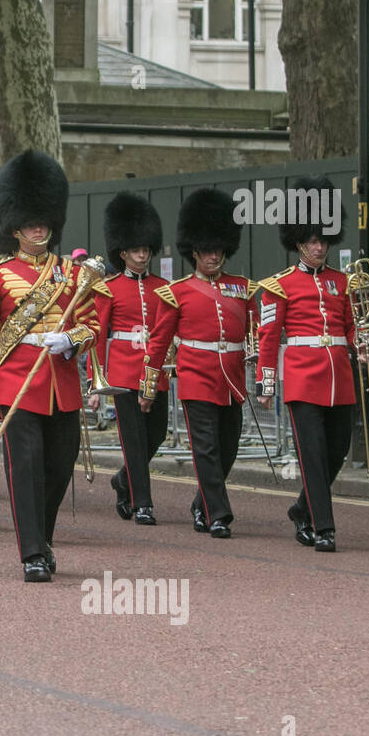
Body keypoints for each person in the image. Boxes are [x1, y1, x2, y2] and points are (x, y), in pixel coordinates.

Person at [0, 150, 107, 582]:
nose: (38, 228)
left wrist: (71, 340)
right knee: (25, 468)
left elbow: (92, 324)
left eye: (43, 221)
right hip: (16, 386)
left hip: (60, 384)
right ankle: (31, 553)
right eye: (30, 222)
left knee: (58, 468)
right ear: (14, 226)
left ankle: (42, 539)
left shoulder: (72, 274)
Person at [140, 188, 256, 539]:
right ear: (194, 251)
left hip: (232, 380)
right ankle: (219, 514)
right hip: (195, 377)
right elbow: (159, 342)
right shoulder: (177, 292)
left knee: (229, 448)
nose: (214, 256)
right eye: (208, 250)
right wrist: (148, 387)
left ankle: (201, 503)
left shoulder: (242, 288)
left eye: (219, 249)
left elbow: (258, 331)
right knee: (205, 448)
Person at [256, 175, 361, 553]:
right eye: (313, 241)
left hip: (339, 378)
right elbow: (268, 338)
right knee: (313, 455)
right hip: (302, 378)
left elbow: (350, 327)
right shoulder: (279, 285)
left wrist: (360, 346)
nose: (320, 247)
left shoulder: (343, 282)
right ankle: (324, 527)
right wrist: (266, 384)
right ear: (299, 242)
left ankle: (302, 508)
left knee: (337, 451)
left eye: (323, 240)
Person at [93, 192, 170, 525]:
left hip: (157, 371)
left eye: (145, 249)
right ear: (122, 252)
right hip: (123, 373)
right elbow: (98, 335)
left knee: (157, 434)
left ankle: (123, 480)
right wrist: (95, 379)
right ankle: (143, 503)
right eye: (136, 250)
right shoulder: (108, 288)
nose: (142, 255)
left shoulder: (164, 287)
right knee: (134, 440)